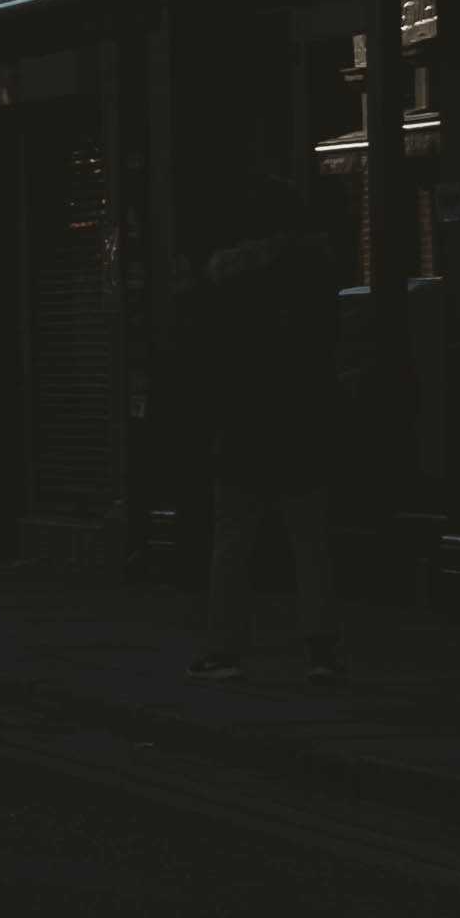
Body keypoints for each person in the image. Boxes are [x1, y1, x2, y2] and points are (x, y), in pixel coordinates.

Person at [196, 228, 345, 678]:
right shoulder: (312, 285)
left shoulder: (227, 290)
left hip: (244, 432)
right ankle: (321, 652)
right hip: (300, 431)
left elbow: (213, 367)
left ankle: (223, 652)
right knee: (310, 546)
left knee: (232, 547)